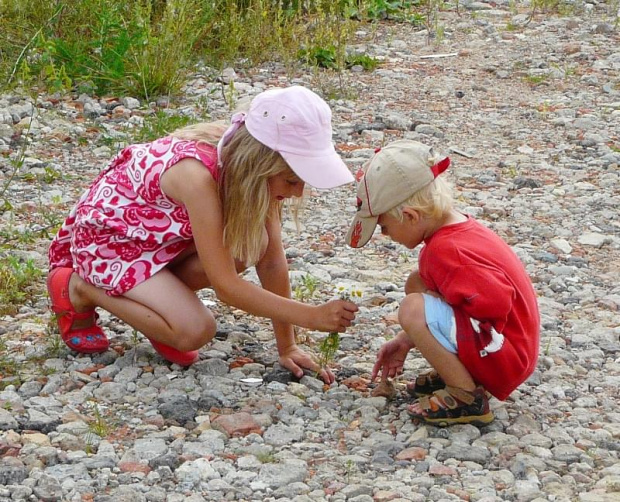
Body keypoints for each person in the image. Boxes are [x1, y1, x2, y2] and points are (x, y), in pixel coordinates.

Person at [47, 85, 359, 383]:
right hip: (110, 243)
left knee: (250, 247)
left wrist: (287, 346)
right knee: (194, 331)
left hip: (157, 242)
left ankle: (163, 309)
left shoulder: (251, 178)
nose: (298, 191)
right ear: (260, 164)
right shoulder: (197, 177)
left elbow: (271, 262)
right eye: (292, 180)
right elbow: (226, 287)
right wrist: (311, 316)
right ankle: (80, 287)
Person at [346, 140, 540, 426]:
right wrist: (406, 340)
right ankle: (465, 372)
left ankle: (466, 394)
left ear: (410, 216)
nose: (386, 235)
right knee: (419, 283)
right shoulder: (458, 229)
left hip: (504, 356)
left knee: (413, 308)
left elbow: (497, 302)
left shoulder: (446, 251)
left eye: (385, 227)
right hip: (513, 351)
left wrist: (436, 325)